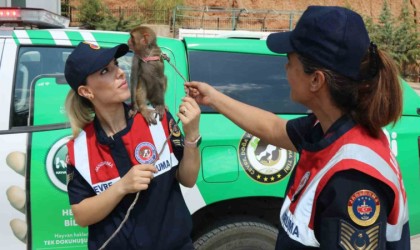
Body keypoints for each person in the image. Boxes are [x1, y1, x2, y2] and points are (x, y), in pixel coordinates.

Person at [185, 5, 410, 249]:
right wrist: (213, 98)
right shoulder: (327, 127)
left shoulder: (351, 180)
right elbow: (272, 127)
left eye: (290, 61)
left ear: (316, 80)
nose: (284, 68)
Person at [64, 42, 201, 249]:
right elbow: (82, 215)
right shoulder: (80, 148)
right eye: (105, 71)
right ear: (86, 91)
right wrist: (121, 187)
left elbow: (188, 179)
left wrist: (191, 136)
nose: (120, 73)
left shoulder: (157, 120)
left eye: (116, 64)